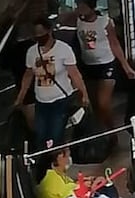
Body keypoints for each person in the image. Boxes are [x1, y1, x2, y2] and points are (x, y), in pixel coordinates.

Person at [17, 19, 89, 149]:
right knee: (40, 135)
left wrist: (84, 93)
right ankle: (44, 163)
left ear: (49, 31)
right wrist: (20, 97)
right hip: (41, 101)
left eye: (41, 33)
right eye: (36, 34)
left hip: (60, 100)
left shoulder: (63, 49)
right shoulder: (32, 52)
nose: (39, 36)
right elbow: (28, 75)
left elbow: (74, 74)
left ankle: (54, 163)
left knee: (55, 136)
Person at [74, 0, 135, 127]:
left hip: (106, 64)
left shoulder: (104, 22)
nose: (81, 10)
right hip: (89, 65)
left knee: (103, 103)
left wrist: (126, 66)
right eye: (79, 7)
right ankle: (102, 132)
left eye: (84, 7)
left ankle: (111, 130)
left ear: (92, 8)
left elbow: (114, 44)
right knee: (94, 103)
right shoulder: (77, 21)